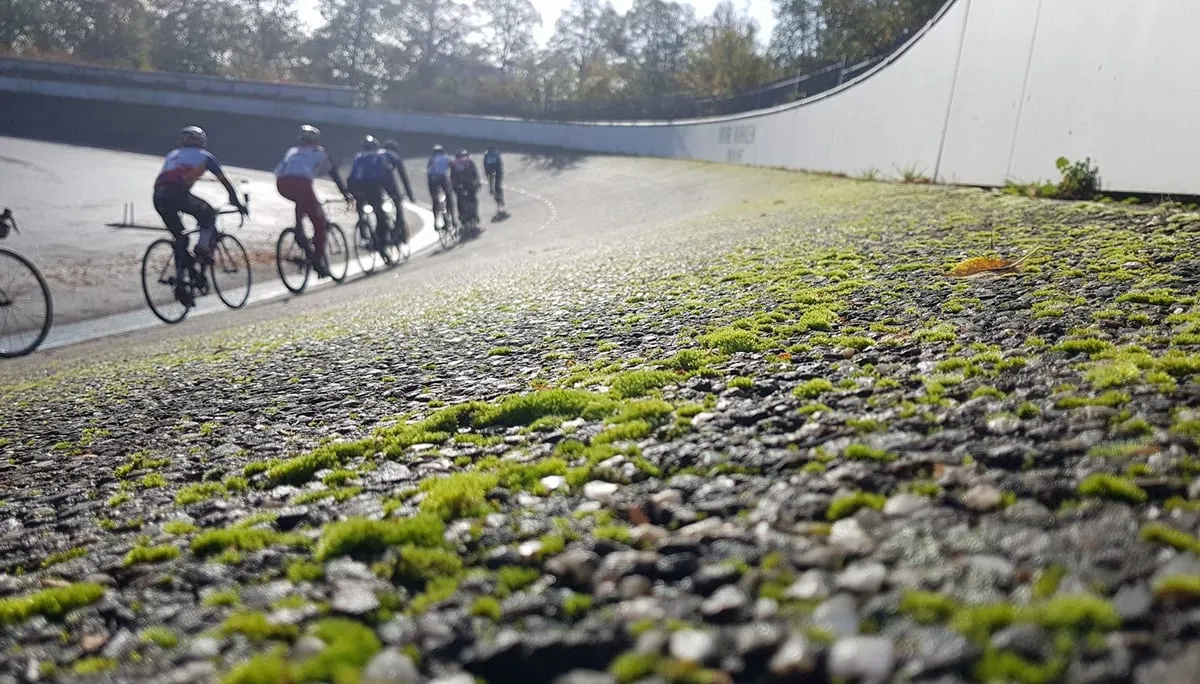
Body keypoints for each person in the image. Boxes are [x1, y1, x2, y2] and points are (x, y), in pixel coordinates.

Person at [153, 125, 247, 307]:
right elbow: (224, 181)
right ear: (202, 142)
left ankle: (182, 281)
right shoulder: (205, 157)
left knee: (181, 239)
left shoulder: (172, 154)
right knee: (209, 213)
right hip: (177, 194)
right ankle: (203, 248)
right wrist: (236, 202)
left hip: (158, 196)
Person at [275, 124, 352, 278]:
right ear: (316, 140)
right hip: (302, 183)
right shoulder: (319, 152)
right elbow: (334, 173)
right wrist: (345, 193)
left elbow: (280, 170)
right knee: (319, 221)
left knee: (301, 202)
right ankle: (318, 261)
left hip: (281, 183)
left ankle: (300, 232)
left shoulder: (292, 151)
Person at [381, 139, 416, 246]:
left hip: (370, 184)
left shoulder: (377, 155)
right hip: (387, 180)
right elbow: (403, 177)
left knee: (378, 207)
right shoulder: (394, 156)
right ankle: (397, 231)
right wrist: (410, 195)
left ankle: (380, 233)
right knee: (397, 204)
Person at [426, 144, 457, 229]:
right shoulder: (446, 157)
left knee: (435, 200)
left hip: (432, 179)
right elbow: (453, 168)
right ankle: (453, 220)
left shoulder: (432, 158)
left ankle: (435, 221)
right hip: (443, 178)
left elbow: (428, 170)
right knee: (449, 198)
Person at [450, 148, 481, 226]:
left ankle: (461, 215)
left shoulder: (454, 163)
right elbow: (475, 173)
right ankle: (475, 214)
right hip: (469, 184)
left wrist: (453, 186)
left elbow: (452, 176)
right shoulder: (469, 161)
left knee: (459, 199)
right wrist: (477, 183)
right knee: (473, 199)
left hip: (458, 185)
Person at [483, 146, 504, 211]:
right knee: (498, 184)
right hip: (497, 170)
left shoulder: (486, 155)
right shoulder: (496, 154)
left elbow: (485, 164)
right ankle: (500, 197)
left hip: (490, 170)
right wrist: (501, 172)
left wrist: (486, 172)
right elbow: (500, 163)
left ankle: (491, 189)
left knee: (491, 180)